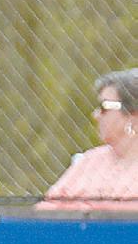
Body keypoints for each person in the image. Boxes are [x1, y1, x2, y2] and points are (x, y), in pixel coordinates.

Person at [36, 68, 138, 211]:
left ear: (133, 115)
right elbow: (45, 210)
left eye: (104, 107)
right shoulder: (90, 161)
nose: (96, 115)